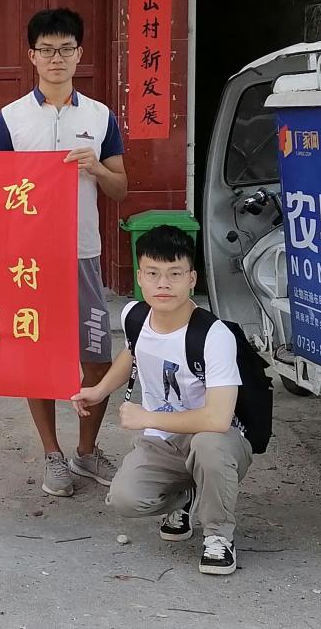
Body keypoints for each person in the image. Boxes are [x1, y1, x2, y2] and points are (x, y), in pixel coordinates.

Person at [0, 8, 128, 496]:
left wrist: (97, 168)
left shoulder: (100, 117)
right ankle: (53, 455)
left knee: (96, 357)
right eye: (46, 50)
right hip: (29, 259)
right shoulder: (10, 119)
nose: (56, 58)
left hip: (82, 253)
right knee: (38, 357)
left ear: (79, 54)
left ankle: (87, 452)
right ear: (31, 56)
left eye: (66, 49)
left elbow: (121, 188)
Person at [72, 226, 252, 575]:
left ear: (192, 279)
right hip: (163, 443)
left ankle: (218, 535)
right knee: (124, 499)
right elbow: (133, 352)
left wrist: (147, 418)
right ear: (140, 277)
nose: (163, 284)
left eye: (175, 274)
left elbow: (217, 419)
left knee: (208, 447)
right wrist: (100, 390)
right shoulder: (135, 316)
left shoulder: (213, 335)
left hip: (219, 440)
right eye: (153, 274)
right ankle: (185, 496)